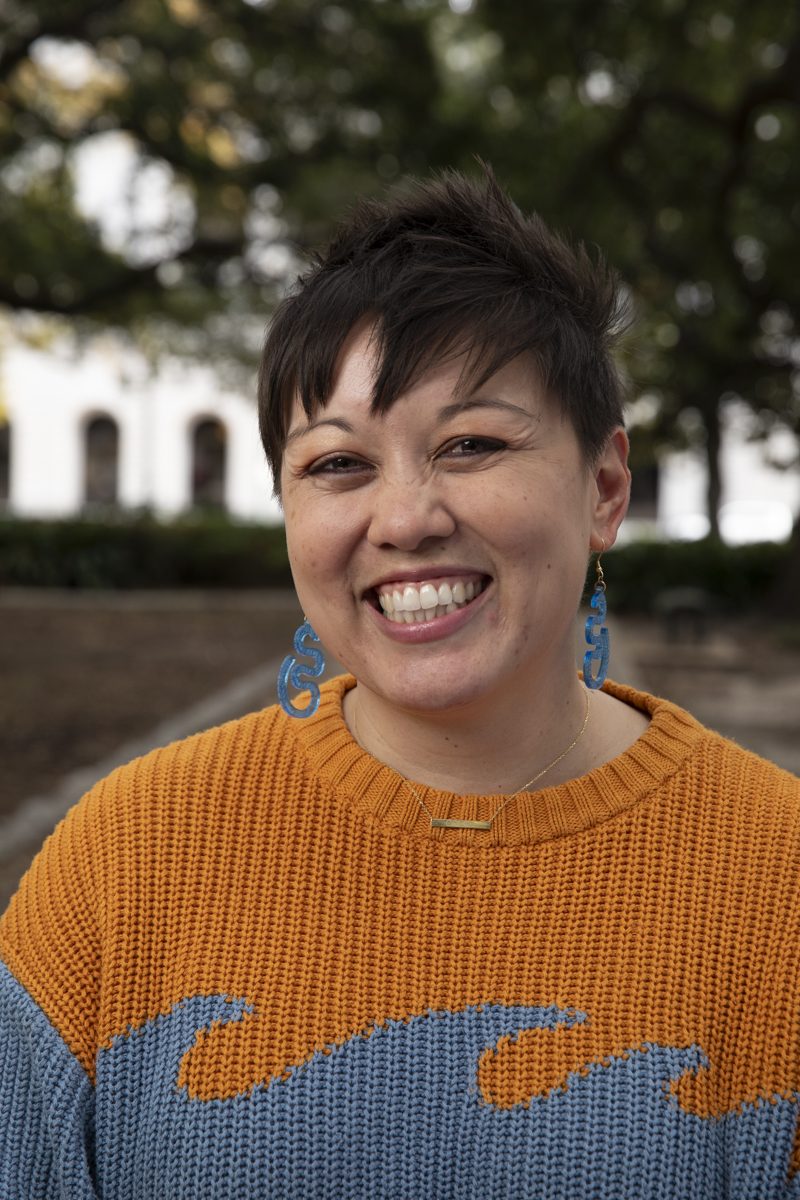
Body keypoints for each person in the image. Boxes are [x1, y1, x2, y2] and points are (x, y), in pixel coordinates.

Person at [2, 170, 799, 1200]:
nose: (406, 518)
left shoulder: (775, 881)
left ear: (604, 488)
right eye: (338, 464)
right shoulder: (123, 864)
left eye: (470, 445)